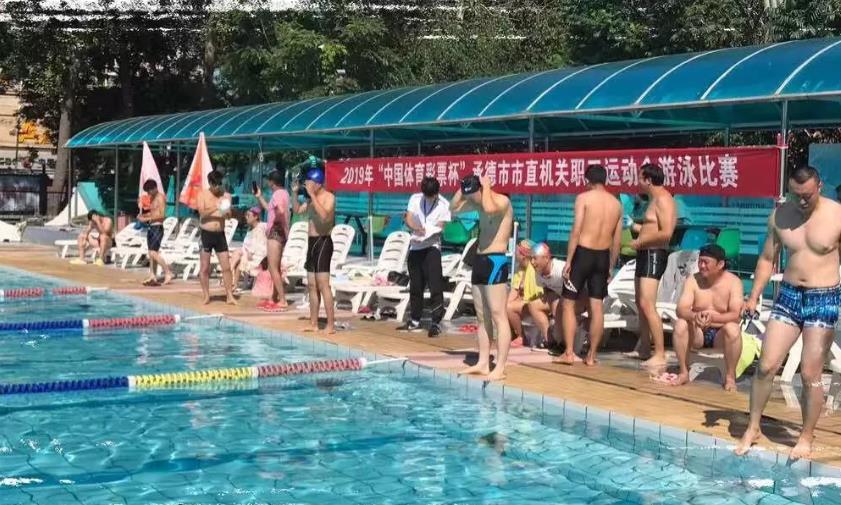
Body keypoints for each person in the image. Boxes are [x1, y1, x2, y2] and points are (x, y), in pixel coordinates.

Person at [736, 166, 841, 460]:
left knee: (810, 373)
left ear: (819, 187)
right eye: (796, 196)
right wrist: (753, 296)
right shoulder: (780, 216)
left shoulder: (837, 215)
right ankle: (753, 427)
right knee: (766, 365)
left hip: (823, 298)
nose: (802, 201)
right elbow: (766, 259)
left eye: (807, 195)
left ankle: (806, 435)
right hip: (789, 296)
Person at [451, 174, 514, 381]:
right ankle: (483, 363)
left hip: (495, 261)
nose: (471, 200)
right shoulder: (478, 203)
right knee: (481, 316)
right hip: (479, 260)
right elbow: (453, 208)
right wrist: (462, 188)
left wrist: (485, 187)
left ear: (482, 189)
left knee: (498, 315)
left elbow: (488, 208)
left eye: (473, 194)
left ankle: (500, 367)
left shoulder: (502, 202)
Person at [558, 165, 622, 366]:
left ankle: (569, 353)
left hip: (583, 254)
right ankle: (592, 356)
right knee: (597, 307)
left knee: (568, 303)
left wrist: (569, 260)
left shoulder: (583, 198)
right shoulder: (616, 204)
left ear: (588, 181)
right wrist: (611, 265)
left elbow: (576, 230)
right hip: (602, 257)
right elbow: (617, 240)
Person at [663, 244, 743, 389]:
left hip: (720, 334)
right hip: (697, 332)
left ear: (720, 264)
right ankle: (683, 372)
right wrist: (695, 316)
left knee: (733, 329)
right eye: (700, 261)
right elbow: (681, 309)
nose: (701, 266)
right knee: (681, 324)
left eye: (706, 262)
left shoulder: (733, 282)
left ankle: (730, 377)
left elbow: (735, 315)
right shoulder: (693, 280)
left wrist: (713, 319)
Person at [628, 163, 677, 369]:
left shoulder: (664, 199)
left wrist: (640, 241)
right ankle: (644, 348)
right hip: (644, 252)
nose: (637, 182)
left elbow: (666, 233)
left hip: (654, 253)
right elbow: (651, 227)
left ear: (648, 180)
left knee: (648, 304)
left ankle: (660, 353)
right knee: (640, 302)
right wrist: (633, 226)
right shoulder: (653, 200)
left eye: (640, 178)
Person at [400, 176, 452, 337]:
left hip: (432, 247)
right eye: (426, 196)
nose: (428, 198)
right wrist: (416, 228)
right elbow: (409, 217)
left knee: (435, 285)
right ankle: (415, 319)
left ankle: (436, 322)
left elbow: (441, 225)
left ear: (436, 193)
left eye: (431, 196)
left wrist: (428, 231)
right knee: (416, 285)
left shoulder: (444, 204)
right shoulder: (415, 198)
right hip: (415, 246)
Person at [292, 168, 336, 334]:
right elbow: (297, 210)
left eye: (309, 183)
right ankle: (314, 323)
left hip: (323, 242)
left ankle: (330, 325)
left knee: (323, 285)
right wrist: (294, 194)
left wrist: (312, 195)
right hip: (311, 244)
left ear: (317, 184)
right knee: (311, 285)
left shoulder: (329, 197)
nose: (307, 186)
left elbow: (324, 216)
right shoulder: (311, 200)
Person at [196, 170, 236, 305]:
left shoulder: (226, 196)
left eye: (220, 184)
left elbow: (227, 215)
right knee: (204, 268)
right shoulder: (202, 195)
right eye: (216, 184)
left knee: (226, 267)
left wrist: (224, 212)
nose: (218, 187)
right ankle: (206, 296)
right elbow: (202, 213)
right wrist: (216, 207)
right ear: (210, 183)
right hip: (206, 234)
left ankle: (229, 296)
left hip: (220, 235)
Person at [255, 169, 290, 311]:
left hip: (276, 232)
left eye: (268, 181)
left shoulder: (277, 194)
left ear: (272, 182)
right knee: (275, 267)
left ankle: (282, 300)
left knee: (273, 267)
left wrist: (278, 221)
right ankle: (273, 297)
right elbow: (270, 209)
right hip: (280, 232)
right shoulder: (284, 193)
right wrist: (259, 197)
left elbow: (280, 211)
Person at [528, 242, 565, 354]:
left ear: (546, 258)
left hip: (574, 300)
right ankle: (550, 341)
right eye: (531, 258)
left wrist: (556, 302)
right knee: (533, 305)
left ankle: (562, 344)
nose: (532, 262)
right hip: (557, 298)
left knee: (556, 304)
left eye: (535, 258)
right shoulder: (538, 272)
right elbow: (547, 289)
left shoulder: (561, 269)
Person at [137, 179, 173, 286]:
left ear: (154, 188)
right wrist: (143, 216)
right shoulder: (152, 198)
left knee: (153, 252)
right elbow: (153, 213)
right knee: (151, 253)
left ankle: (168, 272)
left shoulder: (160, 198)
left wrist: (146, 219)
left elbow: (162, 215)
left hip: (157, 227)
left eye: (149, 191)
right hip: (151, 227)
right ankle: (153, 275)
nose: (148, 194)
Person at [507, 239, 543, 347]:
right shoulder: (520, 269)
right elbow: (514, 290)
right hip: (526, 300)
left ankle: (521, 336)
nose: (515, 254)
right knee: (504, 306)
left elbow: (538, 294)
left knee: (509, 307)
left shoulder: (534, 269)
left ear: (523, 255)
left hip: (536, 301)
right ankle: (511, 334)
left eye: (517, 252)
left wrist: (514, 302)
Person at [230, 207, 268, 288]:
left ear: (256, 217)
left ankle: (230, 276)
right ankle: (233, 281)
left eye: (248, 215)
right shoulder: (249, 230)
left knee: (239, 255)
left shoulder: (263, 226)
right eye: (246, 215)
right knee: (238, 254)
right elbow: (245, 246)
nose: (246, 217)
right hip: (247, 254)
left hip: (258, 256)